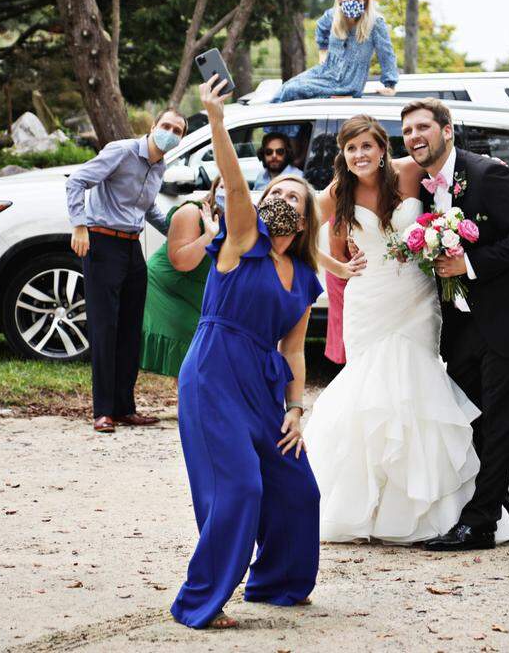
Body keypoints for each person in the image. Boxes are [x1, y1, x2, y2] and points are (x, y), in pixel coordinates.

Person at [304, 115, 509, 544]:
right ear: (342, 156)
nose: (360, 155)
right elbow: (302, 237)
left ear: (382, 148)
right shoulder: (336, 194)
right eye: (351, 149)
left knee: (418, 388)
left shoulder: (409, 171)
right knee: (372, 395)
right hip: (370, 304)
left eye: (367, 146)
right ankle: (367, 509)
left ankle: (431, 509)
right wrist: (340, 266)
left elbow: (455, 172)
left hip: (417, 302)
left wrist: (492, 166)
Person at [170, 75, 324, 630]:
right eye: (276, 192)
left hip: (263, 385)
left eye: (294, 196)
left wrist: (295, 408)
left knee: (298, 489)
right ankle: (200, 601)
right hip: (213, 372)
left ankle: (277, 582)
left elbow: (294, 350)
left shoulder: (304, 277)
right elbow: (235, 187)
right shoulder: (242, 239)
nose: (282, 198)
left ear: (305, 218)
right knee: (239, 487)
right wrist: (215, 118)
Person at [394, 99, 509, 552]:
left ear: (447, 131)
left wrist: (468, 262)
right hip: (465, 325)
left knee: (501, 424)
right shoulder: (425, 190)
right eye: (407, 131)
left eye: (423, 127)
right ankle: (497, 508)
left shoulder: (490, 175)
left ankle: (480, 524)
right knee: (472, 422)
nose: (414, 137)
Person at [66, 108, 186, 434]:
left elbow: (149, 210)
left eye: (177, 130)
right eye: (166, 126)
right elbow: (77, 181)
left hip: (132, 248)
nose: (170, 133)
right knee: (106, 329)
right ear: (153, 126)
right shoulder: (121, 151)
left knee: (131, 331)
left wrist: (185, 228)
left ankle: (124, 408)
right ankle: (103, 411)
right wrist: (79, 225)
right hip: (102, 244)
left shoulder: (159, 165)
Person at [138, 177, 223, 377]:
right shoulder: (192, 212)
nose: (228, 190)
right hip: (168, 288)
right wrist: (208, 236)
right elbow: (182, 261)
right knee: (192, 355)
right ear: (213, 188)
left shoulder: (246, 222)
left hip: (200, 291)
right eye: (222, 185)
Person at [272, 0, 398, 102]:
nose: (352, 3)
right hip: (325, 72)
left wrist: (390, 84)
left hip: (348, 82)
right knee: (283, 91)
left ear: (364, 2)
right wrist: (323, 51)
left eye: (357, 0)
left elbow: (386, 54)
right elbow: (321, 27)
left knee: (292, 91)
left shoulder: (375, 23)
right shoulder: (332, 15)